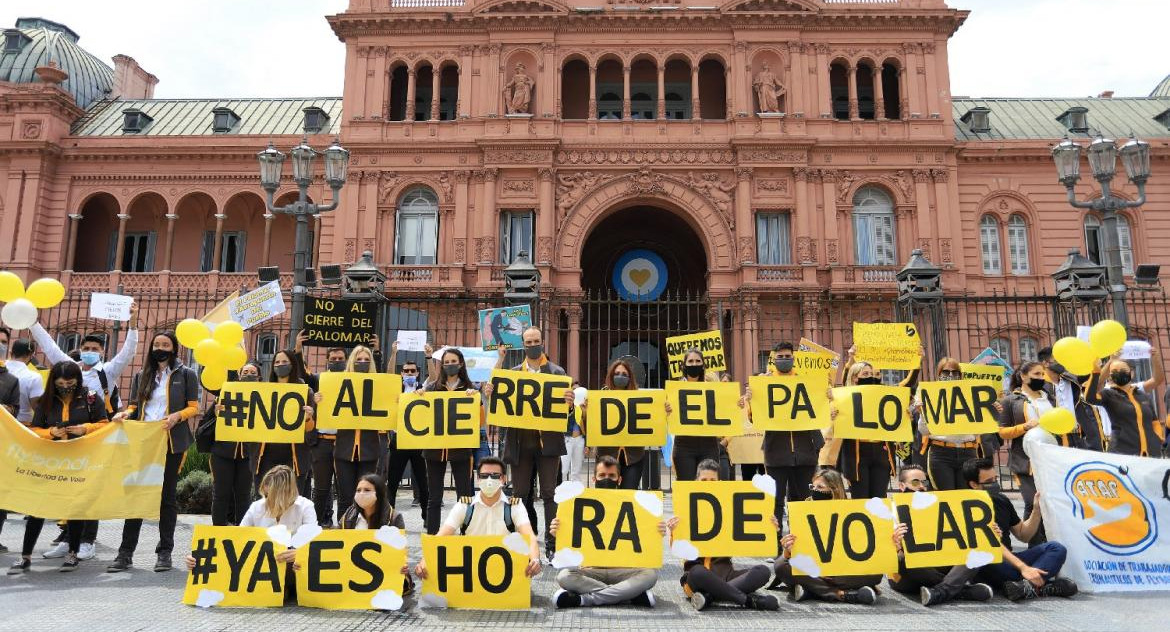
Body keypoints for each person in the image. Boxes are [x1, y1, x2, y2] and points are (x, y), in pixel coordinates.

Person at [108, 331, 199, 573]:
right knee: (137, 494)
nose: (160, 348)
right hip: (144, 440)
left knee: (166, 497)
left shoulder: (186, 374)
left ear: (174, 348)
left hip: (171, 442)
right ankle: (125, 553)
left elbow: (194, 406)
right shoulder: (142, 375)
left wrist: (177, 416)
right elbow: (135, 405)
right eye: (157, 344)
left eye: (165, 344)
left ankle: (165, 551)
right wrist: (125, 414)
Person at [7, 362, 108, 574]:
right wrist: (50, 432)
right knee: (38, 508)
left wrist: (84, 429)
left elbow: (105, 424)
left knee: (75, 508)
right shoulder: (46, 401)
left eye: (70, 383)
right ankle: (25, 556)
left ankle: (73, 554)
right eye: (61, 383)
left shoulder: (90, 397)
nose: (66, 387)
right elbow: (34, 430)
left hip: (79, 462)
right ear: (54, 382)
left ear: (78, 381)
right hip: (50, 461)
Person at [483, 327, 573, 558]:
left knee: (549, 493)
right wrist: (490, 388)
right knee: (521, 494)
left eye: (536, 341)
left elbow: (566, 412)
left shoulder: (557, 371)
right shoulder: (513, 372)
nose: (533, 344)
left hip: (548, 444)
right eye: (529, 341)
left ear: (543, 342)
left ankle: (552, 545)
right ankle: (526, 540)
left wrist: (569, 403)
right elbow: (495, 396)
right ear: (523, 344)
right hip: (520, 443)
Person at [186, 465, 314, 602]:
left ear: (286, 494)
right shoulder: (257, 507)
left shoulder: (306, 507)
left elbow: (317, 543)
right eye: (265, 495)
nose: (266, 500)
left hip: (294, 568)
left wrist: (299, 554)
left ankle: (288, 588)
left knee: (299, 565)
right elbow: (235, 541)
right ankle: (279, 590)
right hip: (263, 569)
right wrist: (197, 558)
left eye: (271, 496)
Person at [550, 455, 661, 608]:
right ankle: (629, 595)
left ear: (619, 479)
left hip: (623, 571)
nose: (606, 479)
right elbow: (571, 546)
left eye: (611, 476)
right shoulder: (579, 503)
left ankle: (584, 600)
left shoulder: (635, 504)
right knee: (564, 576)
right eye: (602, 475)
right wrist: (559, 533)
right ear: (594, 479)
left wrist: (657, 531)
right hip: (590, 571)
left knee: (650, 575)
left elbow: (645, 540)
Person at [962, 458, 1078, 601]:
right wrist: (1024, 568)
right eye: (989, 481)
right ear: (973, 484)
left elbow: (1024, 535)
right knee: (987, 561)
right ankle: (1041, 587)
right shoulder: (966, 506)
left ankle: (1023, 587)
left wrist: (1036, 510)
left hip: (1011, 562)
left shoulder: (1001, 500)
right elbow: (992, 546)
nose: (995, 484)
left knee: (1056, 548)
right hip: (990, 563)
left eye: (995, 479)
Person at [414, 456, 542, 581]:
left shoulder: (514, 506)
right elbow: (441, 536)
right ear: (478, 479)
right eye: (484, 476)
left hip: (507, 576)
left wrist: (535, 559)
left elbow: (530, 537)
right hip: (471, 576)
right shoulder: (464, 505)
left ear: (503, 479)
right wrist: (424, 562)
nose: (490, 480)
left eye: (495, 475)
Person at [885, 464, 994, 606]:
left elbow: (962, 536)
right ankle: (959, 589)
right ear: (901, 486)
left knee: (979, 548)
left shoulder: (940, 505)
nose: (922, 487)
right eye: (915, 482)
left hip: (937, 563)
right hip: (907, 574)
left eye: (924, 482)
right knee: (904, 560)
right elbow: (883, 554)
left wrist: (989, 532)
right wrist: (894, 544)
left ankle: (939, 592)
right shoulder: (888, 511)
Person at [678, 459, 779, 611]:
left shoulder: (730, 508)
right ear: (696, 481)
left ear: (720, 482)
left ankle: (710, 597)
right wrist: (672, 529)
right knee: (698, 572)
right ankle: (748, 601)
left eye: (713, 480)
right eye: (704, 480)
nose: (708, 484)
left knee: (763, 571)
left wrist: (770, 528)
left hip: (726, 574)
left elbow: (750, 536)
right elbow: (677, 548)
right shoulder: (685, 510)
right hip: (698, 578)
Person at [772, 468, 882, 604]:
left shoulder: (851, 510)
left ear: (834, 490)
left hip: (842, 569)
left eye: (820, 487)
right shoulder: (803, 509)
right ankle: (841, 594)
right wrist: (787, 550)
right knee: (780, 565)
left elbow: (859, 548)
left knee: (876, 573)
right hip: (813, 567)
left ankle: (811, 588)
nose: (814, 490)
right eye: (813, 486)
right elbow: (795, 552)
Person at [742, 341, 823, 527]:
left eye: (787, 357)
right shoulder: (764, 382)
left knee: (803, 499)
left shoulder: (807, 381)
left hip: (805, 451)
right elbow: (755, 419)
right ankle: (775, 542)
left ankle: (802, 540)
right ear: (773, 360)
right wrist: (753, 399)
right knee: (775, 500)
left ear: (793, 359)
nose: (784, 360)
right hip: (776, 451)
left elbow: (819, 412)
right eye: (780, 357)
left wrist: (826, 395)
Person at [998, 361, 1080, 531]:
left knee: (1052, 504)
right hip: (1025, 462)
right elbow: (1002, 432)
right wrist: (1024, 427)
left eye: (1042, 374)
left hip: (1051, 459)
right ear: (1023, 376)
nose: (1041, 378)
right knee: (1032, 503)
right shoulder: (1010, 401)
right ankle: (1032, 543)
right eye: (1036, 374)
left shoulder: (1051, 399)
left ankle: (1048, 543)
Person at [828, 350, 919, 499]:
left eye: (872, 374)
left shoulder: (884, 393)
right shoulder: (847, 394)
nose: (870, 377)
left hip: (881, 452)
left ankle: (880, 523)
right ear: (855, 377)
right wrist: (851, 359)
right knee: (861, 498)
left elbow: (907, 384)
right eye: (865, 374)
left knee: (879, 498)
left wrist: (917, 360)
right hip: (857, 454)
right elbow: (845, 380)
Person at [29, 302, 138, 415]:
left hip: (99, 425)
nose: (90, 351)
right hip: (73, 423)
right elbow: (50, 348)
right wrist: (33, 323)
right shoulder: (72, 368)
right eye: (86, 348)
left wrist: (133, 325)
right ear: (81, 350)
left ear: (102, 352)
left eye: (94, 349)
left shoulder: (108, 371)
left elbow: (128, 352)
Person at [418, 347, 479, 534]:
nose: (450, 365)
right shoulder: (432, 387)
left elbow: (481, 420)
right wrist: (419, 396)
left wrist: (476, 399)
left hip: (461, 449)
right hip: (434, 449)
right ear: (442, 365)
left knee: (464, 496)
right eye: (446, 362)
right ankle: (433, 539)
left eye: (453, 362)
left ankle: (466, 535)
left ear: (460, 364)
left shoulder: (470, 389)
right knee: (434, 498)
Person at [328, 345, 388, 523]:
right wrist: (320, 401)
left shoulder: (379, 384)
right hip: (344, 449)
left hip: (369, 449)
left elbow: (389, 412)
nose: (362, 363)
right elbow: (327, 412)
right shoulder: (338, 383)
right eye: (359, 359)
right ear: (352, 362)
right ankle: (343, 533)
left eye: (366, 360)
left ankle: (367, 531)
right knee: (346, 497)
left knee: (368, 497)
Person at [918, 357, 993, 491]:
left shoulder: (970, 394)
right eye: (946, 372)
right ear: (939, 375)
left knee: (965, 496)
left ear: (960, 375)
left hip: (968, 452)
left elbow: (978, 431)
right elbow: (924, 431)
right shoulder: (931, 395)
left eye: (955, 372)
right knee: (946, 496)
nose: (951, 376)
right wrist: (923, 413)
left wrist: (989, 410)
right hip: (941, 453)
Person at [250, 349, 317, 499]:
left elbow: (311, 430)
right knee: (265, 502)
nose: (280, 365)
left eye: (284, 362)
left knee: (290, 503)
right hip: (264, 456)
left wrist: (308, 418)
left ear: (293, 365)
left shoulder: (306, 392)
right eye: (277, 362)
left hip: (294, 457)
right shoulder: (262, 390)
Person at [580, 359, 653, 489]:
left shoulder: (639, 398)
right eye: (617, 373)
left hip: (633, 456)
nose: (620, 376)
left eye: (624, 374)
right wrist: (585, 412)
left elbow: (652, 420)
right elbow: (590, 427)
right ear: (611, 376)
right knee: (605, 496)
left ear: (630, 377)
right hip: (606, 455)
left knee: (628, 495)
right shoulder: (599, 398)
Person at [202, 362, 259, 526]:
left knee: (243, 495)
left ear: (259, 377)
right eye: (245, 371)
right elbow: (207, 420)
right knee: (221, 494)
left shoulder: (263, 395)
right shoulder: (227, 391)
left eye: (253, 372)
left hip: (248, 454)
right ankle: (218, 530)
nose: (248, 374)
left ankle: (241, 532)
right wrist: (216, 411)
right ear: (239, 375)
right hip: (222, 453)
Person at [338, 473, 414, 595]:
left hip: (383, 573)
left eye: (367, 490)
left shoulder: (394, 518)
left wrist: (401, 564)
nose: (361, 493)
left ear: (378, 493)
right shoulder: (349, 515)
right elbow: (336, 544)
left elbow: (400, 551)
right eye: (358, 490)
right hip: (351, 573)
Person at [1086, 350, 1165, 457]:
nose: (1119, 373)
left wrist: (1158, 438)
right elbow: (1090, 395)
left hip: (1150, 453)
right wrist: (1102, 367)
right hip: (1121, 451)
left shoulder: (1141, 394)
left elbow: (1154, 421)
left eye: (1123, 370)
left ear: (1132, 373)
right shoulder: (1108, 393)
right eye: (1114, 371)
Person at [384, 353, 430, 519]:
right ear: (402, 373)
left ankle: (426, 515)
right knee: (393, 481)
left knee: (423, 481)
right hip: (399, 439)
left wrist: (429, 357)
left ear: (417, 373)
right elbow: (389, 373)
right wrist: (393, 353)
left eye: (412, 371)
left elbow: (433, 377)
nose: (409, 373)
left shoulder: (423, 388)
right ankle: (389, 516)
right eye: (406, 371)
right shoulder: (397, 387)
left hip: (418, 440)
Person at [1039, 346, 1105, 452]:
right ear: (1045, 363)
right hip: (1056, 436)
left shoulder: (1071, 379)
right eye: (1058, 360)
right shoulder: (1040, 386)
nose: (1063, 363)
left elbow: (1091, 374)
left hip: (1078, 434)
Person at [310, 346, 348, 527]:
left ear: (346, 360)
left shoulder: (353, 380)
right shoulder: (318, 380)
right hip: (322, 441)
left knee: (344, 490)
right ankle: (315, 525)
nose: (337, 361)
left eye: (340, 358)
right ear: (327, 360)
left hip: (344, 442)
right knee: (320, 489)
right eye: (333, 358)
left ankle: (343, 526)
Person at [671, 348, 721, 482]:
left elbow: (724, 409)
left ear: (703, 365)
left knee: (709, 487)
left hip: (709, 444)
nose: (694, 364)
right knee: (686, 488)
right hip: (683, 446)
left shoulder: (713, 388)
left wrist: (737, 404)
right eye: (690, 361)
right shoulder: (674, 389)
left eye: (698, 361)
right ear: (684, 365)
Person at [0, 328, 22, 553]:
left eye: (4, 342)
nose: (1, 345)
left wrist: (5, 408)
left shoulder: (11, 380)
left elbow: (15, 410)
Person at [562, 380, 587, 485]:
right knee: (563, 469)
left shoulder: (584, 406)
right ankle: (559, 490)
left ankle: (575, 491)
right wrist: (570, 406)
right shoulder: (566, 406)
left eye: (578, 389)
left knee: (577, 470)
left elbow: (587, 424)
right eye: (574, 389)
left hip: (580, 439)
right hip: (567, 438)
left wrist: (584, 410)